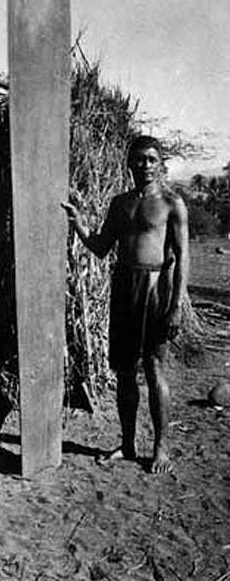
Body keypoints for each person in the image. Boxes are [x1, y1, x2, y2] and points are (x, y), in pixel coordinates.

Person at [62, 135, 189, 474]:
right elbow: (102, 247)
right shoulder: (120, 204)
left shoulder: (171, 203)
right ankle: (129, 443)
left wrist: (175, 305)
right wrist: (79, 225)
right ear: (129, 163)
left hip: (155, 288)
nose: (144, 165)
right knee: (125, 371)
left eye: (150, 159)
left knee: (154, 367)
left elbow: (183, 258)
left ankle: (161, 448)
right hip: (124, 287)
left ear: (160, 163)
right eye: (138, 159)